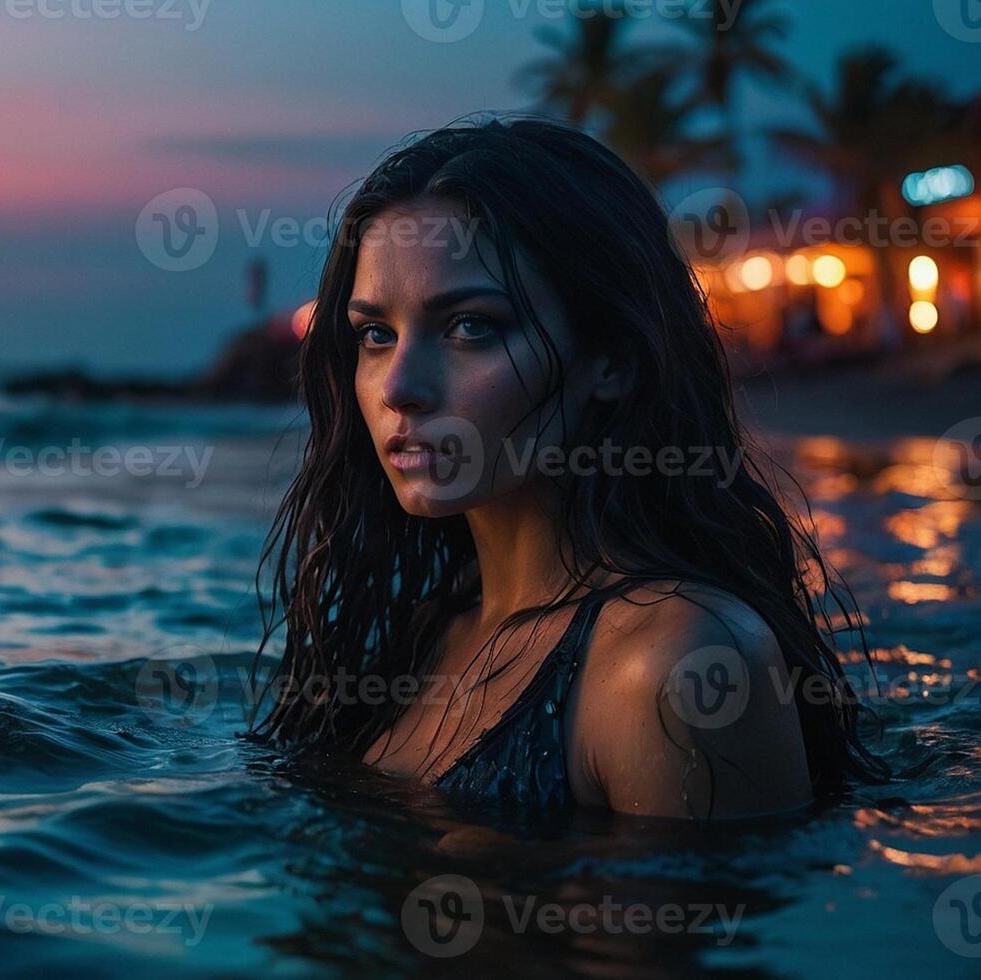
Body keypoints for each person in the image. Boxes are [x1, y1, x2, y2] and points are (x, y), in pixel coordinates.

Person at [247, 116, 889, 820]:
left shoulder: (676, 662)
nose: (400, 387)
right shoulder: (423, 627)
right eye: (376, 334)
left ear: (608, 359)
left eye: (470, 327)